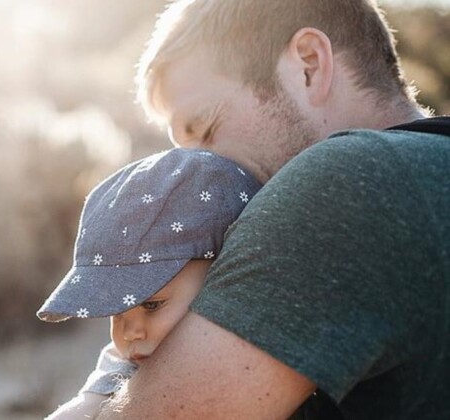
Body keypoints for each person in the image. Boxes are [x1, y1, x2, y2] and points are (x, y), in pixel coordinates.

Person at [93, 0, 450, 419]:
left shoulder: (345, 181)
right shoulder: (429, 169)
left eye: (206, 129)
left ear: (309, 65)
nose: (195, 175)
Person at [36, 148, 262, 419]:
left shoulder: (261, 351)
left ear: (223, 272)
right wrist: (89, 402)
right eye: (117, 312)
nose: (129, 333)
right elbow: (113, 369)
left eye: (152, 305)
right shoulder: (138, 359)